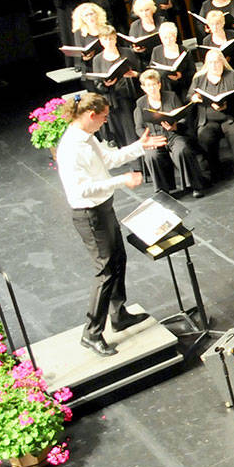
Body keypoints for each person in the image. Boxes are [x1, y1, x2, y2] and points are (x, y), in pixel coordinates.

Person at [55, 93, 166, 356]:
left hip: (103, 208)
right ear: (91, 116)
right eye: (104, 117)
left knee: (118, 259)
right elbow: (83, 189)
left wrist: (141, 146)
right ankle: (91, 332)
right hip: (89, 214)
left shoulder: (87, 137)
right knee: (104, 271)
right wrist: (121, 181)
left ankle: (118, 315)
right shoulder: (71, 147)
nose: (106, 121)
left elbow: (109, 160)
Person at [134, 70, 208, 198]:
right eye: (148, 86)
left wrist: (175, 125)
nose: (152, 88)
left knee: (182, 149)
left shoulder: (171, 96)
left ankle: (195, 186)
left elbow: (182, 117)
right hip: (155, 138)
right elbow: (139, 127)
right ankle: (163, 191)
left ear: (159, 85)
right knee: (151, 155)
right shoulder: (140, 103)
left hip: (173, 135)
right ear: (143, 88)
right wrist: (148, 140)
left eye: (154, 84)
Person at [190, 49, 234, 185]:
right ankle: (214, 172)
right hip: (208, 120)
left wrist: (227, 104)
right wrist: (194, 97)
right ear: (206, 64)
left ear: (223, 62)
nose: (214, 65)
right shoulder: (199, 78)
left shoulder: (232, 75)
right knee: (204, 136)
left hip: (229, 117)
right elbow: (189, 95)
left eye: (217, 62)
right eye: (211, 62)